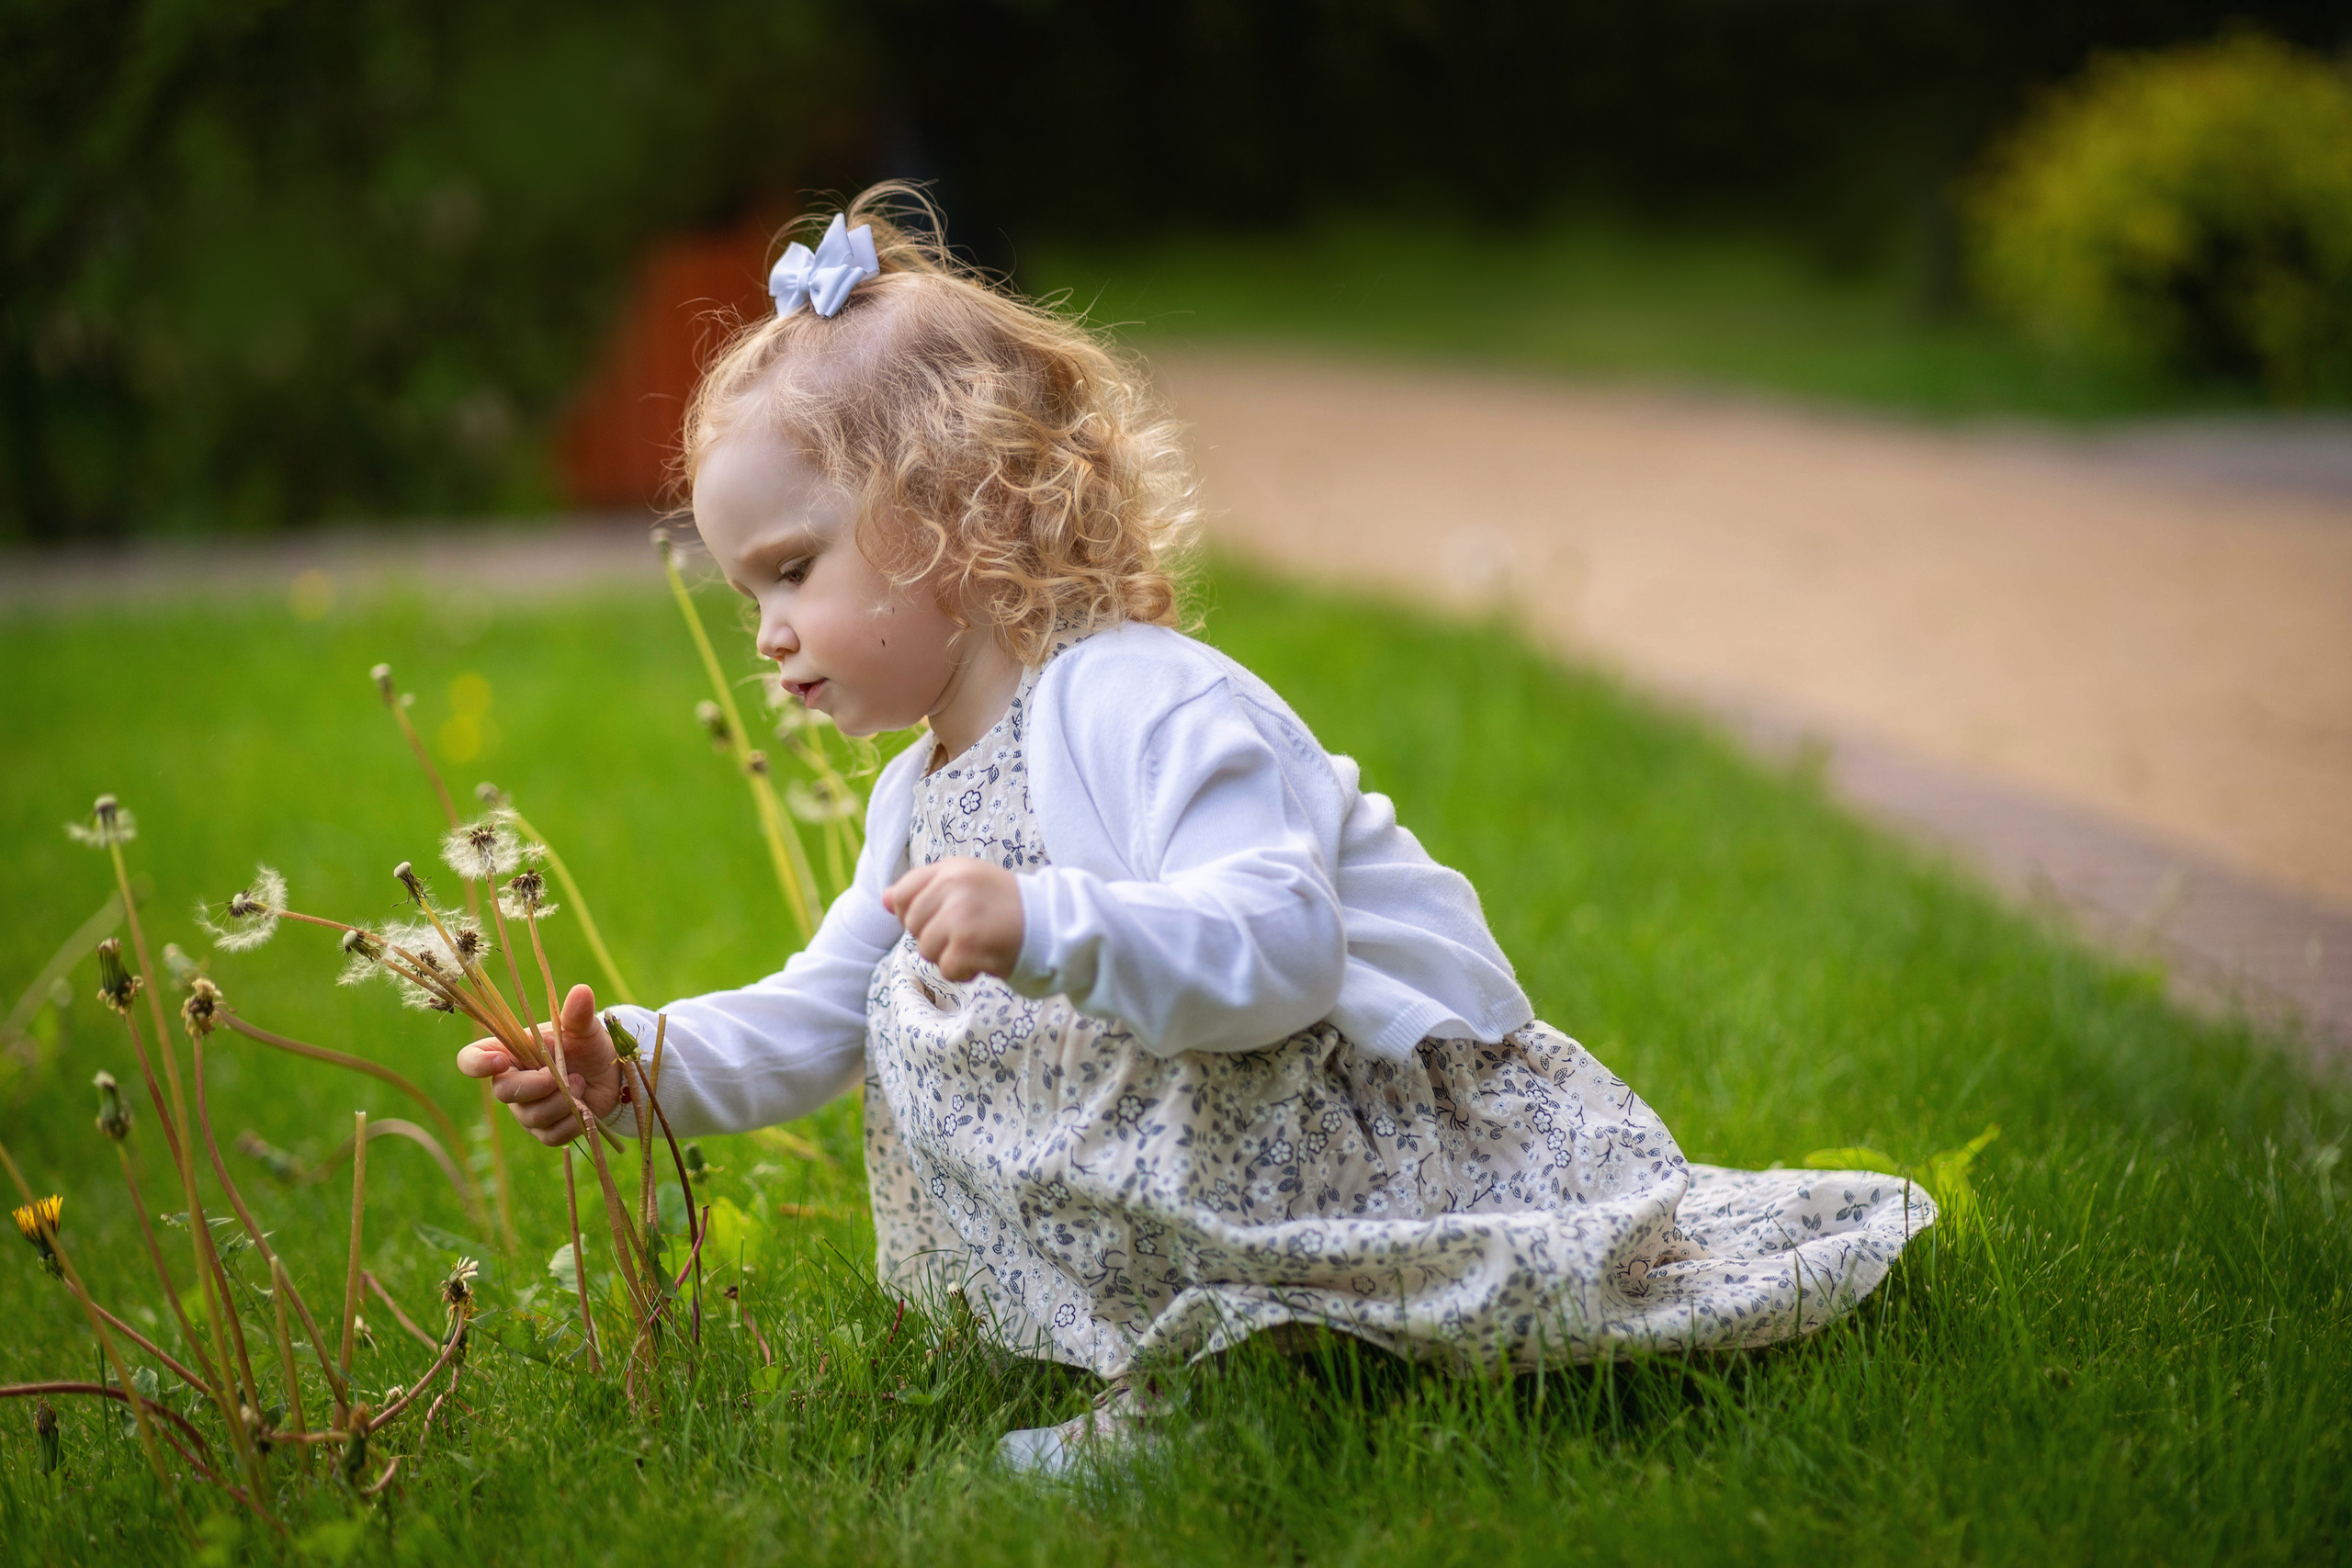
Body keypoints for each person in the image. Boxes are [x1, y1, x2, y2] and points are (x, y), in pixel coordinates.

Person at [456, 184, 1932, 1472]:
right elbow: (827, 1009)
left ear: (959, 511)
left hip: (1354, 1139)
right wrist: (639, 1067)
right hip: (1237, 1139)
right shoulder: (917, 792)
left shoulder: (1141, 700)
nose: (768, 633)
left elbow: (1283, 951)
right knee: (916, 1010)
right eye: (747, 595)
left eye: (792, 570)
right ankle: (1217, 1345)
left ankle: (1238, 1371)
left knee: (1050, 1009)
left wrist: (1049, 925)